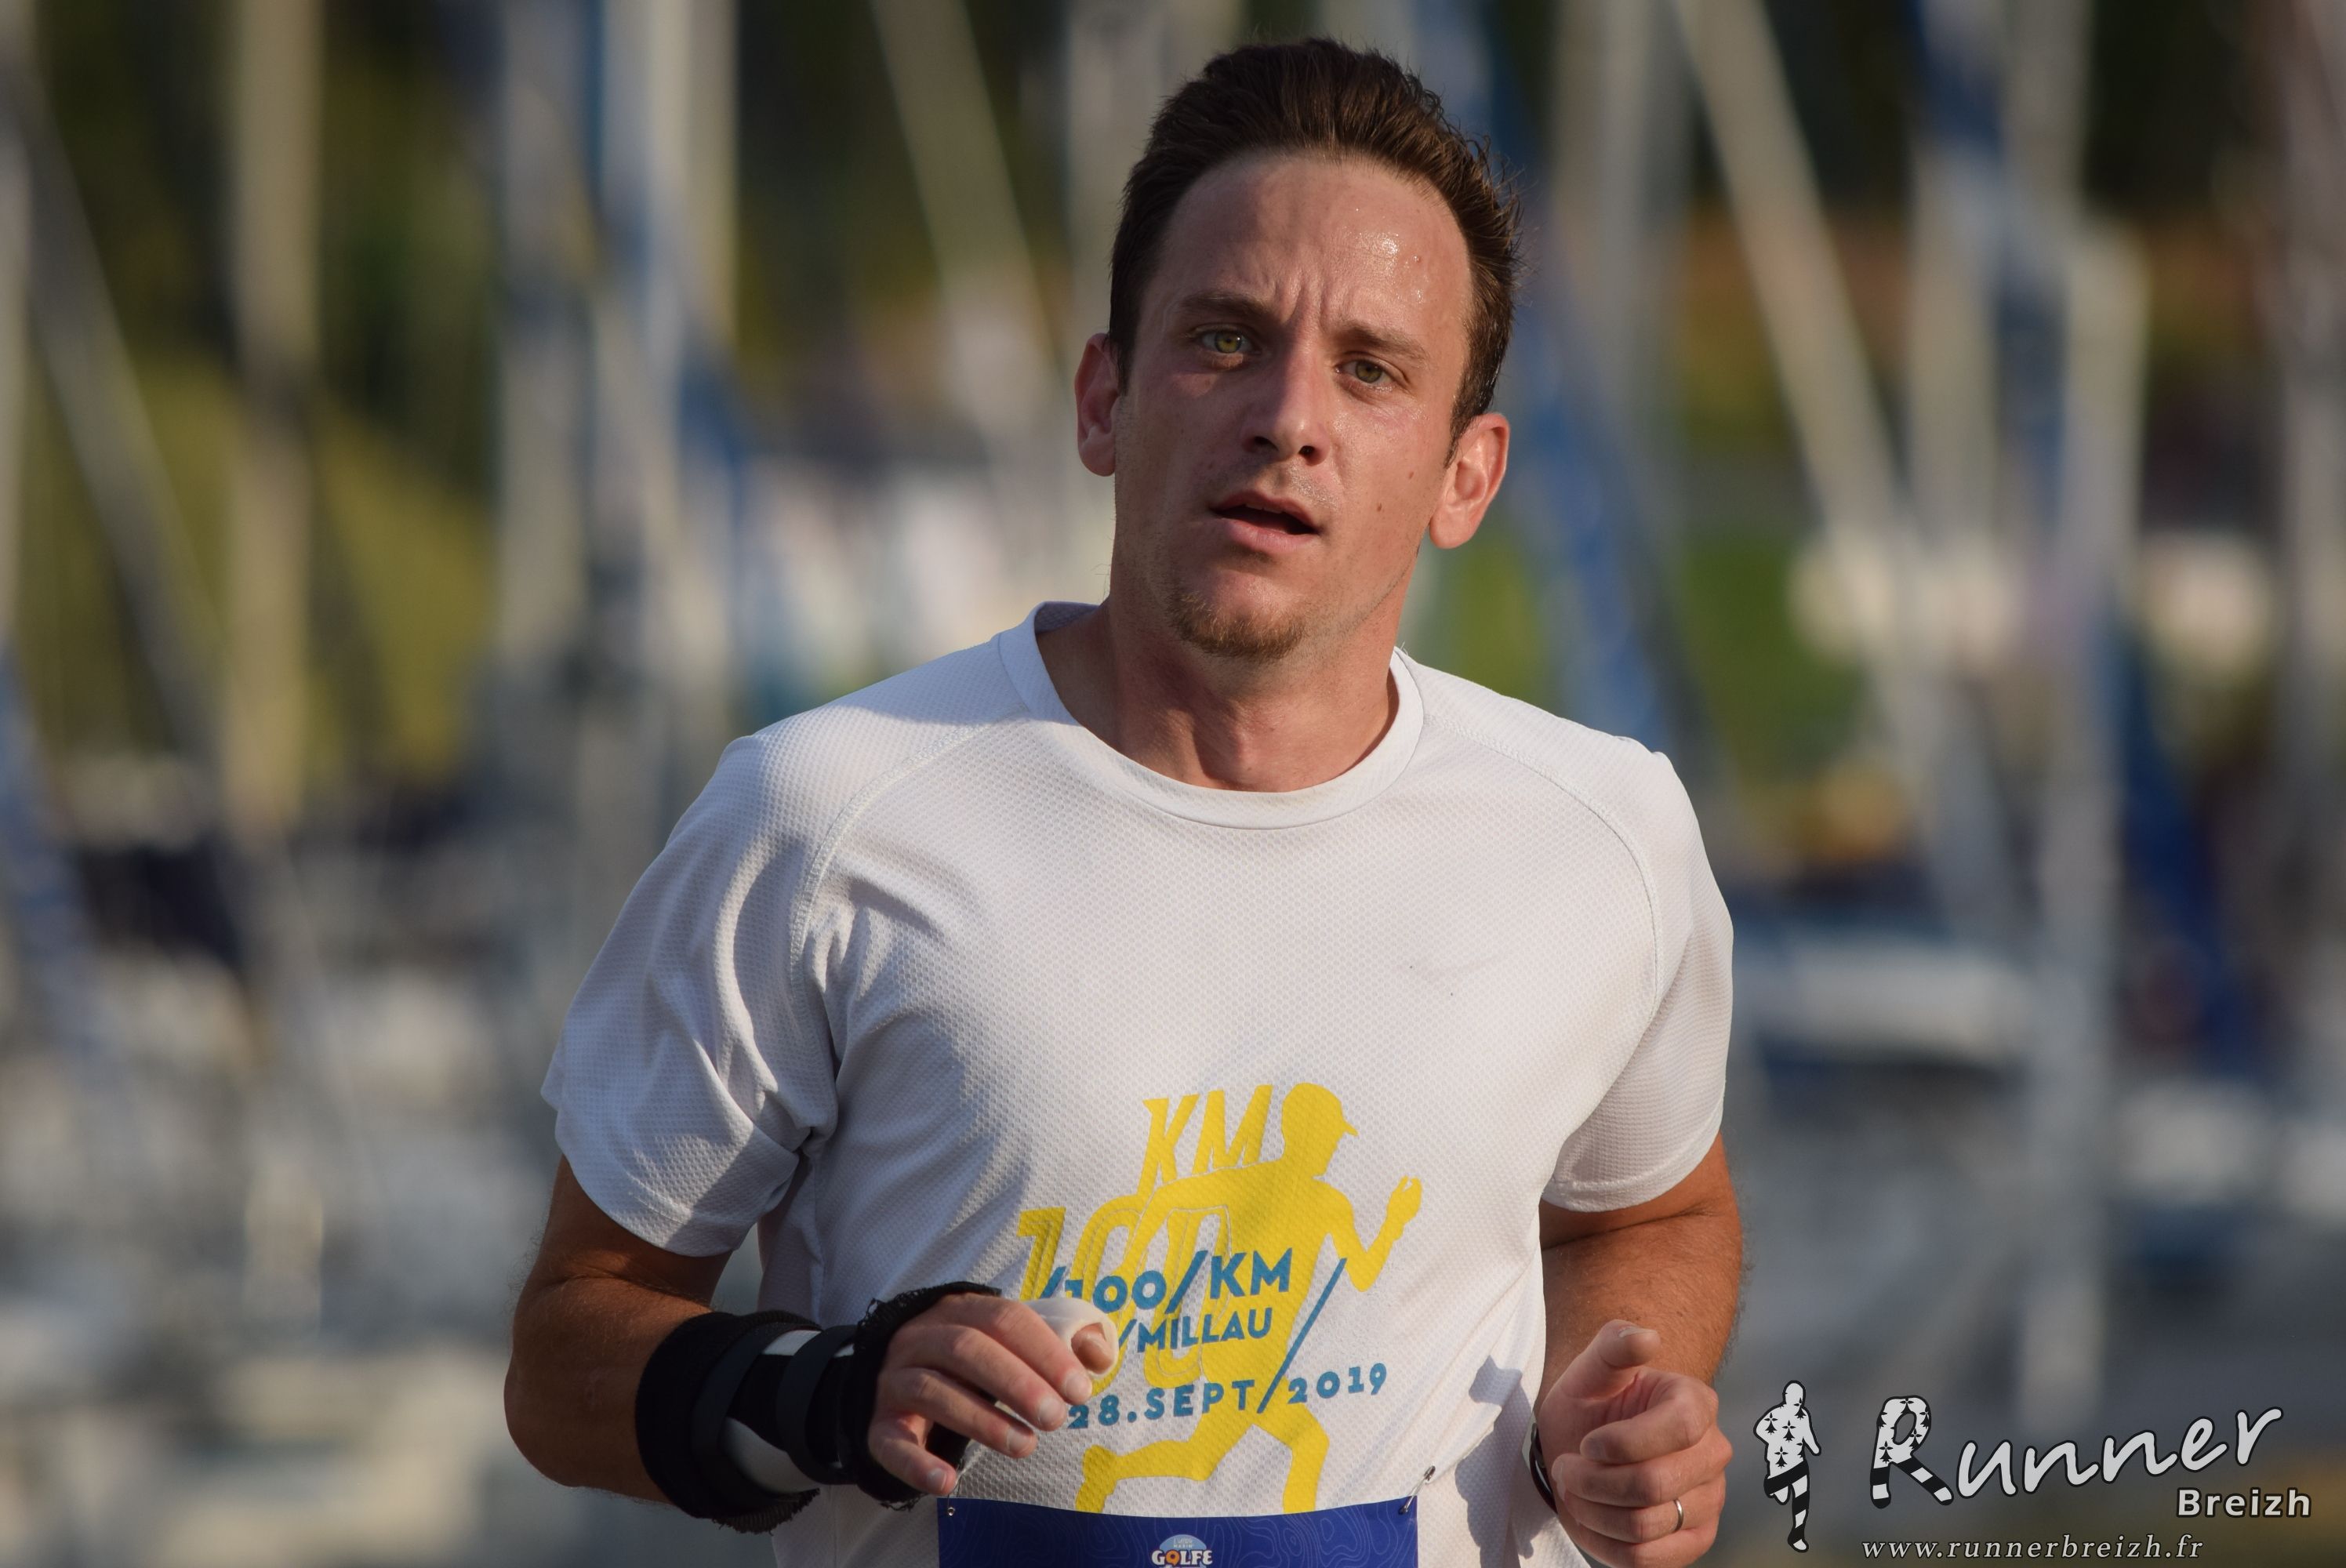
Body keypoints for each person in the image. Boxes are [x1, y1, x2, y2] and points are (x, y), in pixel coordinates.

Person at [506, 37, 1740, 1568]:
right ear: (1103, 400)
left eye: (1370, 369)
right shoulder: (819, 818)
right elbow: (564, 1354)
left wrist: (1608, 1416)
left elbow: (1651, 1213)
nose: (1288, 416)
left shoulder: (1601, 833)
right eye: (1224, 339)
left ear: (1464, 477)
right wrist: (828, 1392)